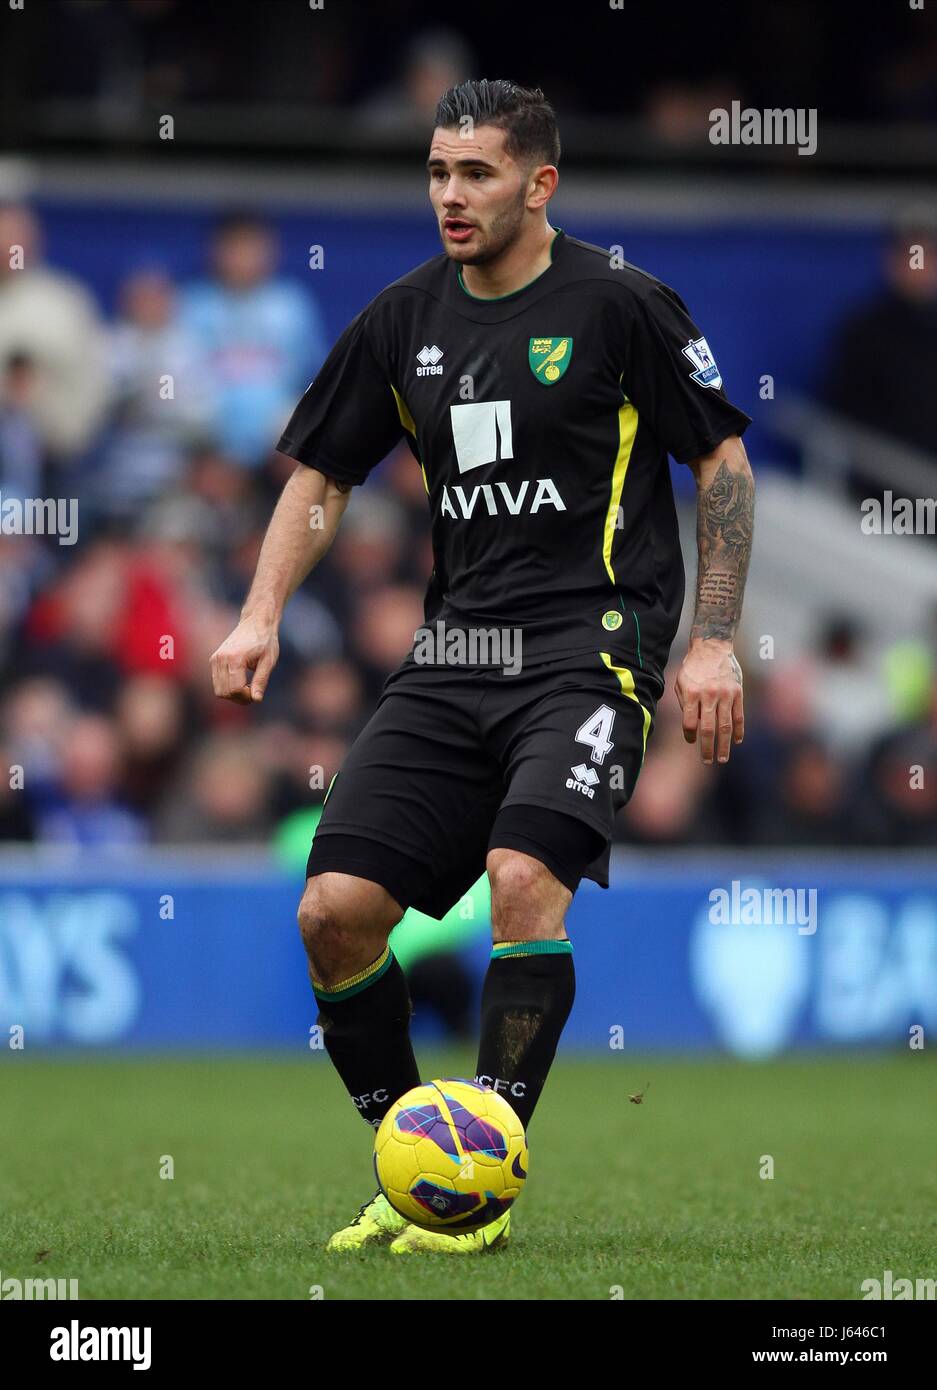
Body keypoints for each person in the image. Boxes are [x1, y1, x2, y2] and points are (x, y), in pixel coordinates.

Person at [211, 80, 754, 1254]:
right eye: (437, 173)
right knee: (332, 916)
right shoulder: (403, 318)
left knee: (521, 875)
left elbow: (718, 461)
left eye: (478, 175)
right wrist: (258, 615)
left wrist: (710, 636)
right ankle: (410, 1169)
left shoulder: (619, 304)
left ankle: (479, 1180)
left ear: (540, 184)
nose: (451, 197)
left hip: (590, 648)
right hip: (453, 655)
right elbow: (321, 478)